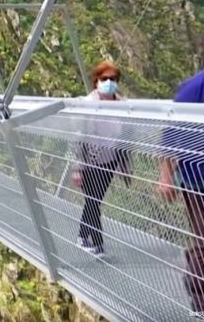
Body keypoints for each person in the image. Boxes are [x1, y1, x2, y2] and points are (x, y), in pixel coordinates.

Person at [157, 28, 204, 320]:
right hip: (200, 180)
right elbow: (172, 134)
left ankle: (195, 261)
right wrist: (166, 177)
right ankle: (201, 301)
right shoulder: (195, 88)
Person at [71, 60, 130, 258]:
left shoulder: (123, 105)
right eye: (104, 79)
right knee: (93, 200)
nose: (109, 82)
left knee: (94, 200)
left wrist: (125, 164)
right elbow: (77, 136)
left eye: (113, 79)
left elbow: (125, 137)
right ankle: (97, 244)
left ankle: (82, 236)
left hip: (111, 160)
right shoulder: (88, 104)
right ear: (96, 81)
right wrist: (77, 168)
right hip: (91, 160)